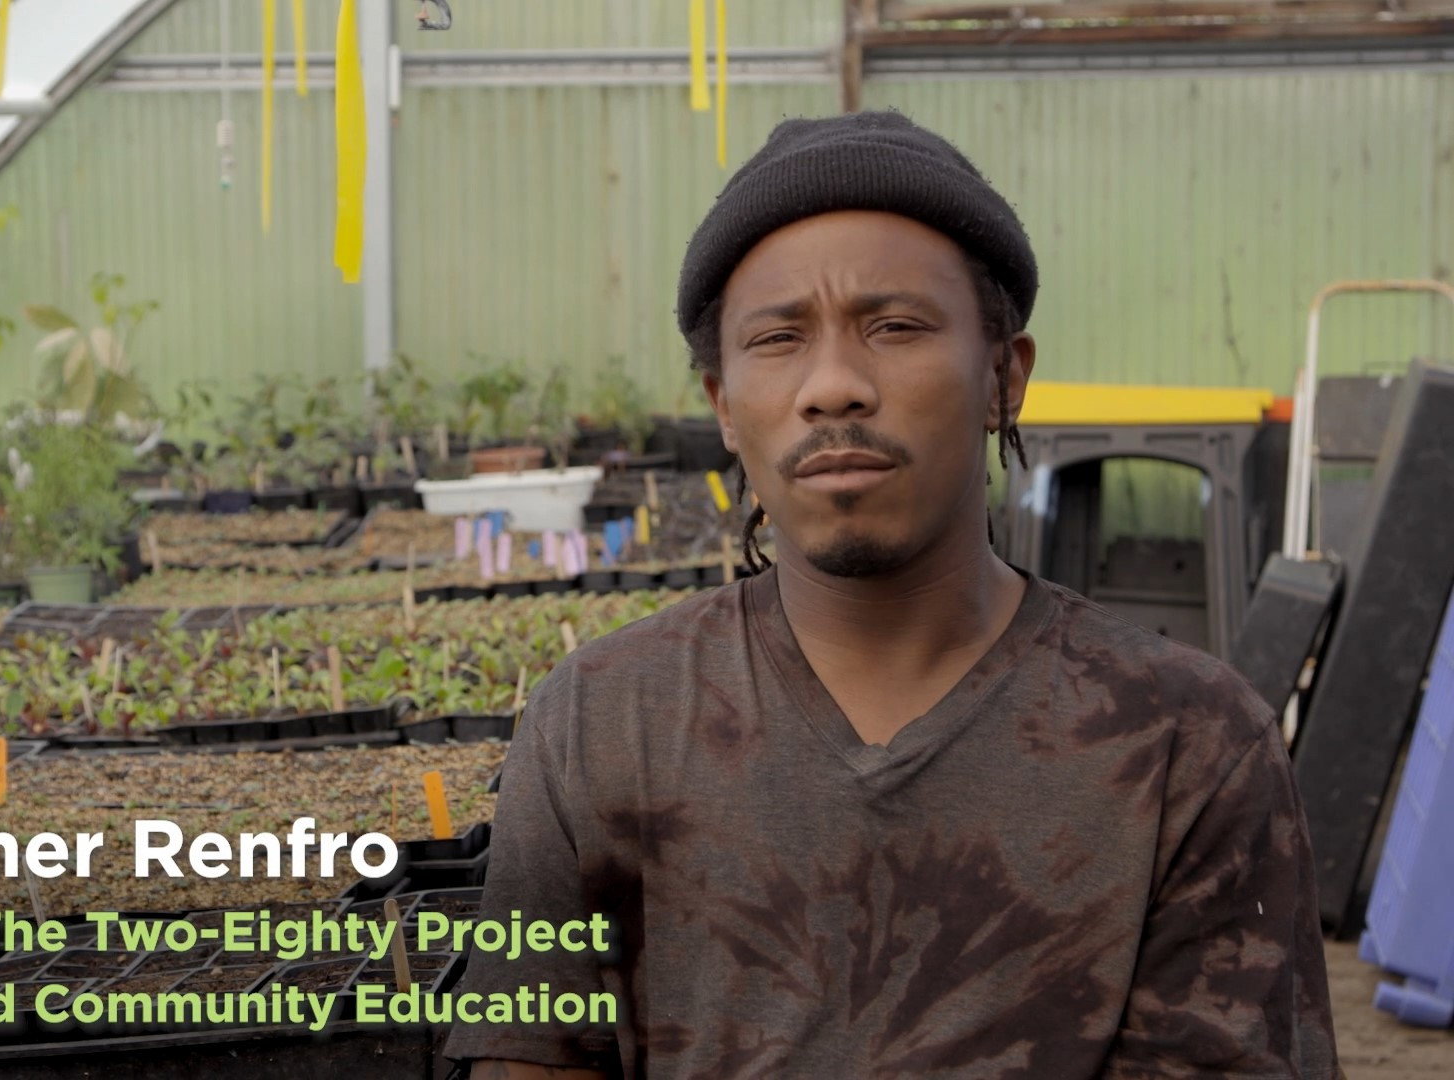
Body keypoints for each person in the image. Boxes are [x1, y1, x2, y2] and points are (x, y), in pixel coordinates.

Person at [444, 112, 1340, 1079]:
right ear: (723, 407)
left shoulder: (1184, 746)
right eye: (778, 338)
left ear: (1003, 378)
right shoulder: (602, 721)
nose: (833, 386)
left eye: (895, 327)